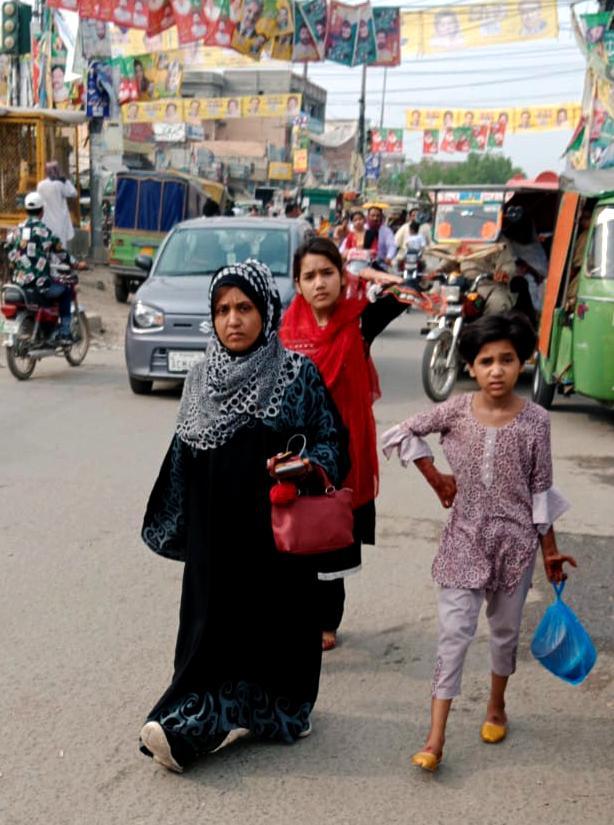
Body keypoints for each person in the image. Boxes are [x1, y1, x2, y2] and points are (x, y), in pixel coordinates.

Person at [139, 260, 349, 773]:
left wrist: (304, 466)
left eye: (244, 308)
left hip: (276, 542)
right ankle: (182, 728)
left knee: (275, 631)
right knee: (209, 633)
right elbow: (182, 458)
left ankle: (280, 711)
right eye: (222, 310)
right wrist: (179, 531)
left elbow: (332, 443)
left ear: (266, 311)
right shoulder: (197, 380)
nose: (233, 320)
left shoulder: (297, 374)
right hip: (216, 541)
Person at [382, 312, 574, 773]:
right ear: (470, 366)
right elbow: (402, 431)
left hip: (516, 547)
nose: (496, 370)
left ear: (522, 362)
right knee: (453, 637)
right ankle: (435, 737)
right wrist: (436, 478)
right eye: (486, 360)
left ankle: (496, 707)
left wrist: (549, 551)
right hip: (463, 540)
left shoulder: (537, 421)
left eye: (507, 360)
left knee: (504, 634)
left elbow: (541, 491)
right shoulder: (454, 410)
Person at [280, 238, 404, 651]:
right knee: (295, 534)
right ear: (298, 284)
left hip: (346, 451)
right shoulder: (284, 331)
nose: (319, 283)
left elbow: (404, 292)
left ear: (341, 276)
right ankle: (293, 615)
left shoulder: (359, 322)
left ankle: (327, 620)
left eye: (327, 273)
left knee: (332, 534)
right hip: (299, 446)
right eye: (309, 276)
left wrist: (370, 275)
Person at [6, 192, 74, 344]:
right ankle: (64, 332)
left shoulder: (16, 231)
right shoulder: (46, 233)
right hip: (39, 285)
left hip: (18, 284)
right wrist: (76, 264)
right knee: (66, 290)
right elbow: (62, 254)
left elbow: (8, 248)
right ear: (42, 211)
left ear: (25, 210)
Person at [36, 161, 78, 249]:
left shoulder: (40, 185)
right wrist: (66, 181)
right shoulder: (60, 184)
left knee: (47, 244)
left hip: (45, 219)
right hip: (59, 221)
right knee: (60, 245)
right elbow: (73, 193)